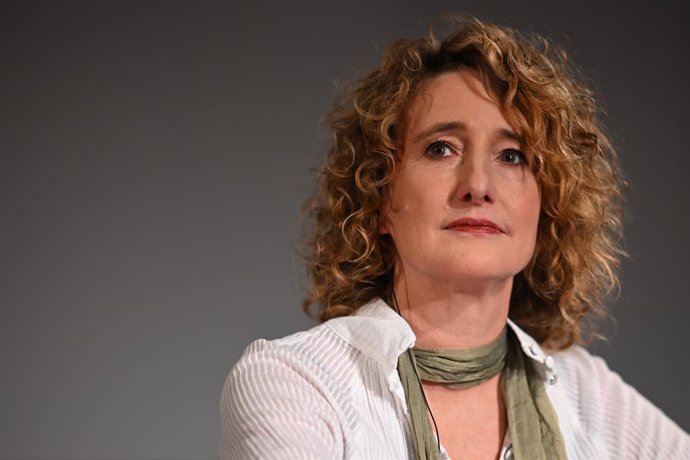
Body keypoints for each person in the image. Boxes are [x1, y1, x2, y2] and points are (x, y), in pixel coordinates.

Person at [219, 18, 690, 459]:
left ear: (548, 206)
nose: (478, 185)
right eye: (441, 148)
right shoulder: (297, 382)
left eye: (511, 156)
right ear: (380, 196)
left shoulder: (586, 393)